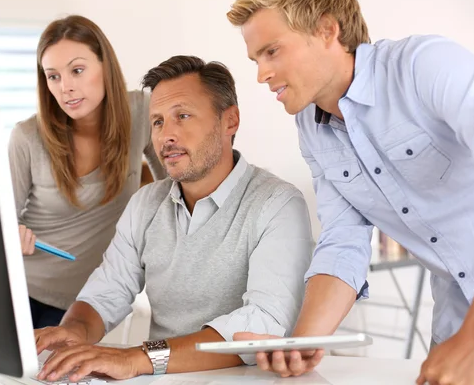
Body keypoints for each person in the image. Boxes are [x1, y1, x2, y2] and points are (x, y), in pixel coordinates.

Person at [226, 0, 474, 384]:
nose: (261, 74)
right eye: (255, 59)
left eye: (272, 51)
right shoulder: (311, 130)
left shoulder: (425, 66)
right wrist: (303, 341)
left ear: (327, 30)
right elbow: (343, 238)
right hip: (456, 323)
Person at [32, 55, 314, 382]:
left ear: (230, 121)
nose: (167, 135)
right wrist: (75, 332)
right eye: (157, 122)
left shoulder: (277, 204)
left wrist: (137, 358)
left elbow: (262, 324)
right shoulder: (146, 203)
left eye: (182, 115)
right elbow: (106, 291)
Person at [8, 15, 166, 329]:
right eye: (53, 76)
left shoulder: (141, 113)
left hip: (87, 301)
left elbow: (176, 184)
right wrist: (11, 234)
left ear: (105, 67)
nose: (65, 87)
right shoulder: (27, 137)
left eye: (77, 70)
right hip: (20, 289)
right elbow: (0, 223)